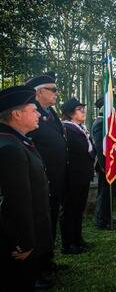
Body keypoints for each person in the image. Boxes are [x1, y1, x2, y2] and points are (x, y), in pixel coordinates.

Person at [0, 85, 53, 291]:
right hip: (20, 244)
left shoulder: (17, 141)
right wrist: (24, 243)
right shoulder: (10, 148)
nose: (39, 113)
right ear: (17, 114)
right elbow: (16, 201)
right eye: (33, 110)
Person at [25, 73, 67, 281]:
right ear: (39, 91)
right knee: (39, 223)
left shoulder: (50, 112)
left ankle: (47, 261)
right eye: (53, 89)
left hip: (55, 177)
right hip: (41, 178)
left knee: (50, 219)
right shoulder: (29, 113)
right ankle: (37, 269)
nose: (57, 93)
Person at [60, 98, 95, 255]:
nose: (83, 111)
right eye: (80, 109)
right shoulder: (67, 128)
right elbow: (81, 150)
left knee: (78, 209)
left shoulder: (79, 127)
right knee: (70, 210)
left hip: (83, 175)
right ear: (70, 113)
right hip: (73, 177)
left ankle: (78, 239)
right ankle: (68, 244)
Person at [91, 97, 116, 230]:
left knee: (109, 193)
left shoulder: (107, 123)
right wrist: (105, 166)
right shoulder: (100, 124)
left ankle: (107, 217)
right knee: (104, 193)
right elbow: (100, 148)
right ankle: (101, 220)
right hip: (105, 165)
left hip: (110, 163)